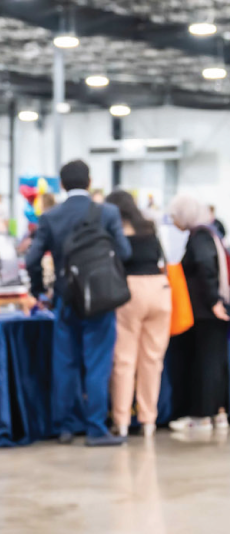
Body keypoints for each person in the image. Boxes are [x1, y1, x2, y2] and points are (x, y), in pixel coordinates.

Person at [24, 160, 131, 446]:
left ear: (61, 184)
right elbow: (125, 251)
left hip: (66, 298)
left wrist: (39, 292)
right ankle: (96, 428)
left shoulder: (50, 217)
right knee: (97, 362)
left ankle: (65, 427)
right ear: (90, 180)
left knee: (65, 363)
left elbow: (32, 259)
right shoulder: (107, 213)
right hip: (100, 298)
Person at [106, 190, 172, 438]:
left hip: (130, 290)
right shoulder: (149, 226)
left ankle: (121, 421)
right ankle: (148, 421)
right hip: (160, 289)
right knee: (152, 361)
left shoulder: (116, 230)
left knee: (124, 360)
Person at [167, 194, 230, 432]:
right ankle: (218, 414)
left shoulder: (199, 236)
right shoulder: (210, 232)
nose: (173, 222)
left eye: (175, 216)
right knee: (215, 362)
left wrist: (213, 300)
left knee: (203, 364)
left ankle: (202, 416)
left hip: (204, 311)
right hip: (211, 310)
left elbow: (205, 265)